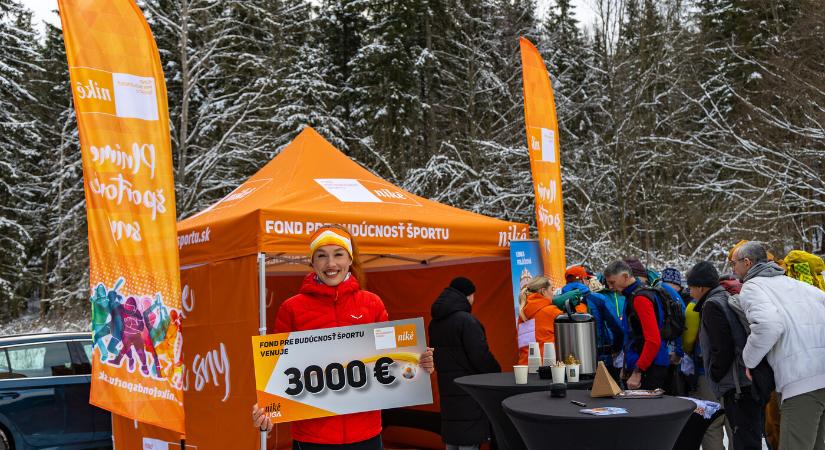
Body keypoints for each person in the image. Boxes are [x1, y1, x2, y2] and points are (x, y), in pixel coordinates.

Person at [251, 225, 435, 449]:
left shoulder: (371, 303)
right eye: (322, 256)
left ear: (350, 260)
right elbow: (276, 371)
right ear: (312, 262)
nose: (331, 264)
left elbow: (392, 361)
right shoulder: (292, 308)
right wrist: (267, 409)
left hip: (366, 433)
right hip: (313, 437)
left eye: (338, 254)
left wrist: (419, 362)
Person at [732, 241, 825, 450]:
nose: (732, 269)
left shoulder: (752, 287)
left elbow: (769, 326)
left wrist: (749, 360)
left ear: (747, 263)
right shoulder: (798, 285)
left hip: (801, 382)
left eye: (734, 263)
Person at [688, 261, 762, 450]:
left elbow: (722, 347)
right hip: (745, 379)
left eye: (691, 287)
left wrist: (715, 374)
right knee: (747, 436)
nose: (690, 293)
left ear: (701, 287)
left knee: (743, 439)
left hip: (735, 383)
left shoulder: (712, 305)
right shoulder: (725, 297)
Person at [429, 277, 501, 450]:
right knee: (469, 441)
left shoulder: (434, 323)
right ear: (468, 296)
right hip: (469, 390)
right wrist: (496, 372)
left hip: (448, 391)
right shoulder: (467, 321)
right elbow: (480, 356)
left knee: (453, 440)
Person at [603, 260, 670, 390]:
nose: (610, 287)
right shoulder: (636, 295)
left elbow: (652, 340)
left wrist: (637, 371)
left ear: (625, 276)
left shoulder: (640, 299)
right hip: (647, 364)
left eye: (612, 282)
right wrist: (626, 366)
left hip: (649, 367)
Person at [516, 276, 586, 364]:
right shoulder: (550, 311)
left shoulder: (522, 314)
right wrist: (580, 304)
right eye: (552, 289)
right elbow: (576, 323)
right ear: (543, 291)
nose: (553, 293)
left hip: (524, 367)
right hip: (545, 368)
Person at [562, 266, 623, 362]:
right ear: (582, 280)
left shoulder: (557, 301)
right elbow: (616, 326)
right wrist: (616, 348)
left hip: (567, 358)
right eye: (587, 279)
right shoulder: (598, 299)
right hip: (597, 356)